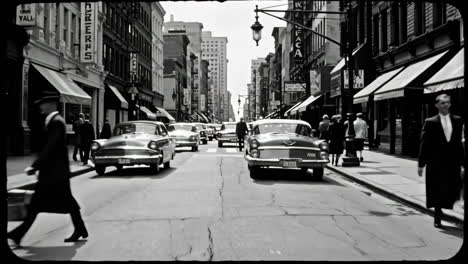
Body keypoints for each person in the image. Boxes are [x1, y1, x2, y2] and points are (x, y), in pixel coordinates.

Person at [7, 92, 88, 247]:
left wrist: (35, 165)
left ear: (51, 104)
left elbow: (50, 147)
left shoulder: (56, 122)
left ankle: (18, 234)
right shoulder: (53, 121)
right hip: (55, 173)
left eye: (43, 103)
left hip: (55, 173)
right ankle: (80, 229)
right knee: (51, 203)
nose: (40, 106)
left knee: (38, 204)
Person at [418, 94, 465, 228]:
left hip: (452, 162)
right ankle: (437, 216)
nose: (445, 105)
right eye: (442, 103)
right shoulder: (430, 122)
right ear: (437, 105)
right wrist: (421, 164)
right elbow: (424, 144)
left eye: (447, 103)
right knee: (437, 189)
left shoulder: (458, 120)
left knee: (451, 187)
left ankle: (448, 205)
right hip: (435, 162)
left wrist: (463, 163)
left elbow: (459, 144)